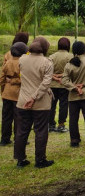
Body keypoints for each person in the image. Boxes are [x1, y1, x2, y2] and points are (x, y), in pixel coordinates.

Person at [15, 37, 54, 168]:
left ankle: (20, 159)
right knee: (41, 131)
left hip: (23, 101)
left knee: (21, 131)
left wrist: (29, 98)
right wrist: (35, 97)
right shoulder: (47, 62)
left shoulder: (22, 59)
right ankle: (40, 159)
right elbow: (46, 83)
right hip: (41, 102)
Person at [61, 41, 85, 147]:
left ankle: (74, 140)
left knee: (73, 119)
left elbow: (64, 80)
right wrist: (84, 84)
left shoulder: (69, 64)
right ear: (84, 50)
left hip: (73, 96)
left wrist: (74, 88)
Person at [1, 42, 26, 146]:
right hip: (17, 94)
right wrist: (14, 81)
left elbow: (1, 78)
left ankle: (5, 139)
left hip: (6, 93)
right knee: (18, 117)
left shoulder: (7, 62)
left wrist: (4, 88)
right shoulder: (22, 63)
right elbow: (24, 79)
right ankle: (18, 138)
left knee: (6, 117)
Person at [48, 37, 72, 133]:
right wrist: (61, 76)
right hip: (64, 84)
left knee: (51, 105)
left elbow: (47, 71)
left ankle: (50, 124)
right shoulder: (70, 57)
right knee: (64, 105)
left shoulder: (52, 56)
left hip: (52, 84)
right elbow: (71, 71)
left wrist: (55, 76)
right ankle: (61, 125)